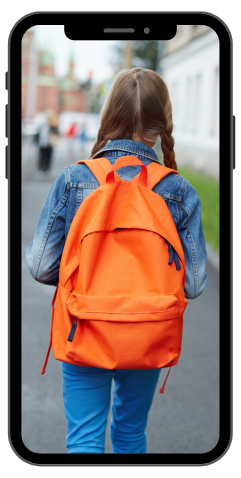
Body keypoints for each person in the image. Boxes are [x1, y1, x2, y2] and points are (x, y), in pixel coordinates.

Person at [26, 68, 207, 454]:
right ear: (163, 122)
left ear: (109, 115)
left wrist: (88, 280)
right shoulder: (179, 190)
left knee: (85, 439)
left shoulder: (74, 179)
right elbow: (194, 283)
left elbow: (41, 265)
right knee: (129, 434)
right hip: (147, 331)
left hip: (84, 325)